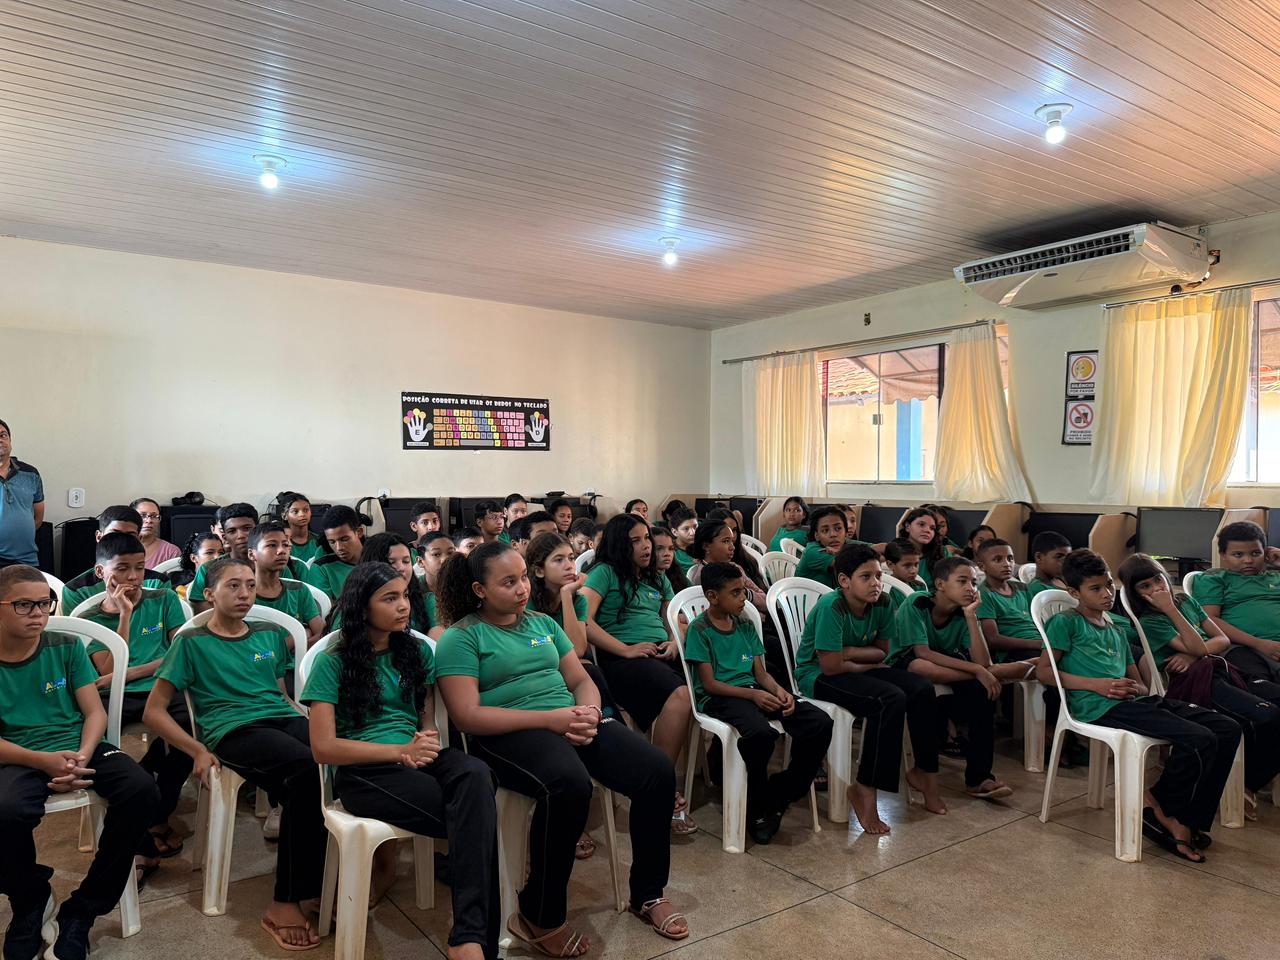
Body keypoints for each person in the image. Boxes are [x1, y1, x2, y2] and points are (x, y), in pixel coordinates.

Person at [435, 542, 688, 954]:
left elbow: (579, 678)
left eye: (522, 579)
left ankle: (648, 893)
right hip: (506, 733)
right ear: (480, 590)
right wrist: (552, 720)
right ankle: (539, 913)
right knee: (569, 784)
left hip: (568, 720)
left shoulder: (541, 624)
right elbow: (468, 716)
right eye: (508, 582)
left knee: (656, 770)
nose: (522, 590)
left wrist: (587, 711)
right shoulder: (460, 638)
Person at [302, 562, 499, 960]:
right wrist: (399, 752)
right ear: (362, 607)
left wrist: (424, 739)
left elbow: (424, 716)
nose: (403, 606)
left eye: (405, 595)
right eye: (389, 598)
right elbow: (323, 747)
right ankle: (471, 939)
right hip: (364, 772)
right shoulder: (332, 661)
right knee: (474, 817)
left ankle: (467, 936)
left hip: (414, 757)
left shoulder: (412, 652)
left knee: (477, 773)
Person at [145, 556, 326, 950]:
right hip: (232, 730)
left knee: (332, 757)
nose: (245, 593)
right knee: (305, 769)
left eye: (249, 584)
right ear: (209, 594)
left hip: (278, 717)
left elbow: (278, 693)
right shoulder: (190, 642)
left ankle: (319, 877)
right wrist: (195, 749)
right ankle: (285, 901)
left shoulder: (268, 633)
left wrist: (307, 723)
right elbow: (153, 712)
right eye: (232, 586)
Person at [0, 564, 161, 960]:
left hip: (78, 744)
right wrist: (41, 761)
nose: (38, 613)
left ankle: (82, 910)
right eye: (23, 605)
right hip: (17, 752)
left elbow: (94, 714)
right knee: (7, 811)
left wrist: (83, 757)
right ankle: (31, 898)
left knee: (142, 790)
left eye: (44, 603)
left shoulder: (65, 644)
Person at [1041, 549, 1242, 862]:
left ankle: (1183, 815)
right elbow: (1045, 673)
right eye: (1096, 589)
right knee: (1199, 739)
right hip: (1098, 706)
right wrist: (1099, 685)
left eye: (1109, 585)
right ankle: (1166, 811)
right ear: (1073, 592)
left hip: (1133, 701)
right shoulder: (1065, 623)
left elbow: (1133, 674)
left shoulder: (1116, 625)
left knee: (1227, 728)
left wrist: (1139, 686)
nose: (1107, 594)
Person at [793, 544, 946, 833]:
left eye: (878, 575)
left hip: (854, 668)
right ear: (844, 581)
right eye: (866, 577)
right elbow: (830, 667)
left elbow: (882, 653)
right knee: (888, 698)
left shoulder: (884, 603)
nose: (876, 583)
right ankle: (865, 788)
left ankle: (925, 771)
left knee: (921, 689)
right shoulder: (832, 606)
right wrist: (859, 660)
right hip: (816, 677)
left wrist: (850, 652)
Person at [1120, 553, 1280, 814]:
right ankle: (1244, 785)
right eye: (1145, 587)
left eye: (1157, 580)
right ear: (1136, 594)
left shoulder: (1185, 600)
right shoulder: (1154, 620)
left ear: (1166, 576)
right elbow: (1201, 647)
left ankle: (1247, 781)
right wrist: (1171, 612)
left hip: (1221, 668)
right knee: (1268, 716)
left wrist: (1191, 652)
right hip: (1194, 681)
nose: (1156, 589)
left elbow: (1222, 640)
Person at [684, 563, 832, 844]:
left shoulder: (745, 624)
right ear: (713, 596)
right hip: (720, 698)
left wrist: (781, 692)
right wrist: (753, 695)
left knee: (818, 721)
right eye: (736, 593)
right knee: (761, 734)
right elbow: (711, 684)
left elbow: (760, 673)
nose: (744, 598)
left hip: (752, 689)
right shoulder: (699, 630)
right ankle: (757, 808)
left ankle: (781, 790)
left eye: (743, 591)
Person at [80, 532, 192, 866]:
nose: (132, 577)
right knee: (102, 744)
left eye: (140, 568)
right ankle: (145, 822)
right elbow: (110, 670)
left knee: (190, 729)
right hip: (113, 697)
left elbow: (179, 654)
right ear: (101, 572)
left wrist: (131, 673)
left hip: (160, 689)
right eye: (123, 568)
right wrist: (124, 615)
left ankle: (156, 808)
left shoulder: (164, 599)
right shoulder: (89, 621)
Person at [582, 514, 698, 835]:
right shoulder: (604, 573)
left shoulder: (656, 579)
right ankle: (658, 784)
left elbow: (671, 619)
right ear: (621, 544)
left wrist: (674, 641)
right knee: (680, 694)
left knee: (705, 685)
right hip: (622, 660)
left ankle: (669, 778)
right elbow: (585, 622)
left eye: (646, 538)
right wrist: (625, 649)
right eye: (635, 540)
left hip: (657, 653)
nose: (646, 546)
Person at [888, 556, 1025, 800]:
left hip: (948, 665)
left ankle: (979, 777)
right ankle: (1008, 670)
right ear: (940, 584)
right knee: (924, 667)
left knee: (982, 691)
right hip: (905, 663)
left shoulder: (964, 614)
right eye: (962, 581)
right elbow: (923, 653)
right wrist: (978, 671)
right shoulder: (917, 602)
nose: (970, 588)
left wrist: (972, 618)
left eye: (973, 582)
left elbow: (982, 661)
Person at [1190, 521, 1280, 682]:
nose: (1248, 560)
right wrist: (1259, 644)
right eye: (1238, 554)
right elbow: (1209, 620)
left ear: (1265, 553)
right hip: (1244, 648)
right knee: (1262, 689)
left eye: (1255, 553)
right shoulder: (1214, 579)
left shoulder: (1275, 577)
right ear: (1223, 555)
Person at [189, 503, 307, 611]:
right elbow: (204, 616)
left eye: (247, 528)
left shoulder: (277, 566)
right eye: (232, 531)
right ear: (224, 537)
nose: (241, 535)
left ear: (257, 529)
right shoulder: (208, 569)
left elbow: (292, 608)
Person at [62, 506, 174, 613]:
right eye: (114, 534)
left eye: (130, 536)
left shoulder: (158, 582)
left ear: (139, 539)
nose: (121, 541)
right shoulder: (75, 591)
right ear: (99, 536)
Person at [248, 521, 324, 645]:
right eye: (272, 545)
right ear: (252, 554)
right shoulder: (243, 595)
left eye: (285, 545)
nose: (281, 551)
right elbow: (252, 650)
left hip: (299, 662)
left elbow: (321, 635)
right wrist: (297, 638)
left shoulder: (299, 590)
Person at [354, 533, 439, 637]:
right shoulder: (354, 605)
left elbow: (436, 641)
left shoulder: (427, 599)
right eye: (391, 562)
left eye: (406, 561)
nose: (401, 568)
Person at [975, 539, 1041, 662]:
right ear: (982, 566)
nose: (1007, 564)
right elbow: (993, 639)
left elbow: (1039, 622)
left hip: (1041, 645)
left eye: (1010, 558)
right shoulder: (984, 594)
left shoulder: (1023, 588)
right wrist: (1037, 644)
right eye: (997, 559)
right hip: (1014, 653)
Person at [0, 419, 44, 568]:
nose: (0, 440)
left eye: (3, 435)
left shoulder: (31, 473)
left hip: (26, 559)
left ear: (10, 440)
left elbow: (38, 518)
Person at [305, 505, 365, 601]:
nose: (339, 548)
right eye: (332, 542)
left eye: (344, 539)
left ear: (359, 532)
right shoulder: (322, 568)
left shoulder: (380, 560)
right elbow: (325, 611)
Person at [795, 505, 856, 589]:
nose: (833, 534)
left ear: (845, 532)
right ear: (817, 536)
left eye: (838, 528)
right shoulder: (812, 551)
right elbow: (850, 564)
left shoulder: (845, 542)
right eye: (825, 530)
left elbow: (879, 548)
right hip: (810, 600)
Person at [895, 508, 944, 589]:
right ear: (907, 526)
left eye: (932, 528)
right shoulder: (894, 550)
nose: (927, 530)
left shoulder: (940, 552)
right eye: (921, 524)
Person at [129, 498, 180, 567]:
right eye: (142, 515)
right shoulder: (118, 547)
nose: (149, 520)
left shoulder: (171, 552)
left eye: (154, 516)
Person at [171, 531, 224, 599]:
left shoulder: (229, 580)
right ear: (193, 558)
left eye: (221, 553)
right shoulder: (174, 579)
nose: (218, 557)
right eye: (209, 553)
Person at [275, 492, 325, 564]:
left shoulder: (320, 541)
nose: (302, 514)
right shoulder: (280, 544)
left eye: (306, 510)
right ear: (284, 516)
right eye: (295, 511)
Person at [1027, 531, 1071, 597]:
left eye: (1067, 557)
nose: (1065, 562)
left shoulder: (1062, 580)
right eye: (1059, 557)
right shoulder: (1037, 590)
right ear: (1039, 557)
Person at [415, 530, 456, 602]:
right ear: (420, 561)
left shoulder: (465, 585)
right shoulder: (413, 591)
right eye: (436, 554)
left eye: (450, 553)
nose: (445, 560)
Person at [651, 526, 691, 596]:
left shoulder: (677, 574)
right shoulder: (643, 581)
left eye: (671, 548)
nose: (667, 554)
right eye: (659, 548)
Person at [668, 507, 699, 574]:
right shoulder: (670, 551)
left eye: (695, 527)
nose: (693, 532)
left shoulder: (704, 546)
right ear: (674, 532)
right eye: (686, 529)